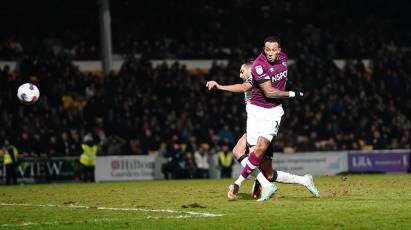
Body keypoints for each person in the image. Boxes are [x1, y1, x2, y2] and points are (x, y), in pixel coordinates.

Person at [209, 36, 319, 201]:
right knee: (265, 172)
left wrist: (220, 86)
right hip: (257, 118)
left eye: (242, 71)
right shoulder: (259, 71)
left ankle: (246, 184)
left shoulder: (257, 74)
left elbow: (245, 86)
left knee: (244, 153)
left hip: (268, 116)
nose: (240, 74)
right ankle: (303, 180)